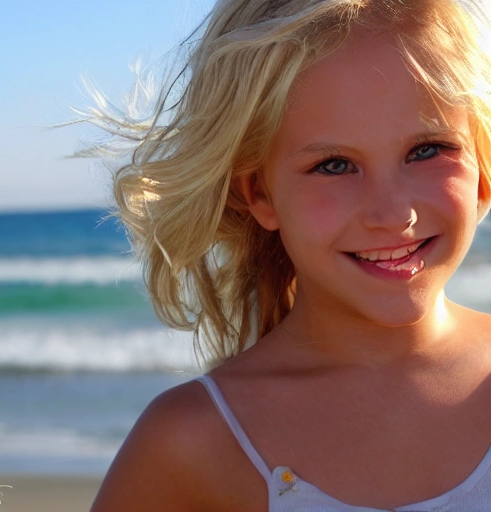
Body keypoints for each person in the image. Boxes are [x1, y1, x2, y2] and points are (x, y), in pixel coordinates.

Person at [89, 0, 491, 510]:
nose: (393, 214)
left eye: (428, 150)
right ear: (258, 192)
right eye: (334, 165)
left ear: (483, 161)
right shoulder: (194, 442)